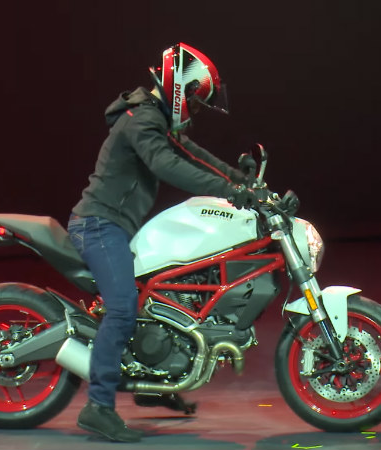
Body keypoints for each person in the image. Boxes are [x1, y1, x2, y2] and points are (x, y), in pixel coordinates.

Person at [68, 42, 254, 442]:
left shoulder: (156, 119)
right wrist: (229, 190)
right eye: (196, 101)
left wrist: (243, 183)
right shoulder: (141, 120)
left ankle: (155, 385)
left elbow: (194, 154)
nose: (196, 110)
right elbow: (166, 164)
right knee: (122, 309)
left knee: (164, 294)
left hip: (117, 227)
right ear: (180, 87)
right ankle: (98, 407)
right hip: (98, 225)